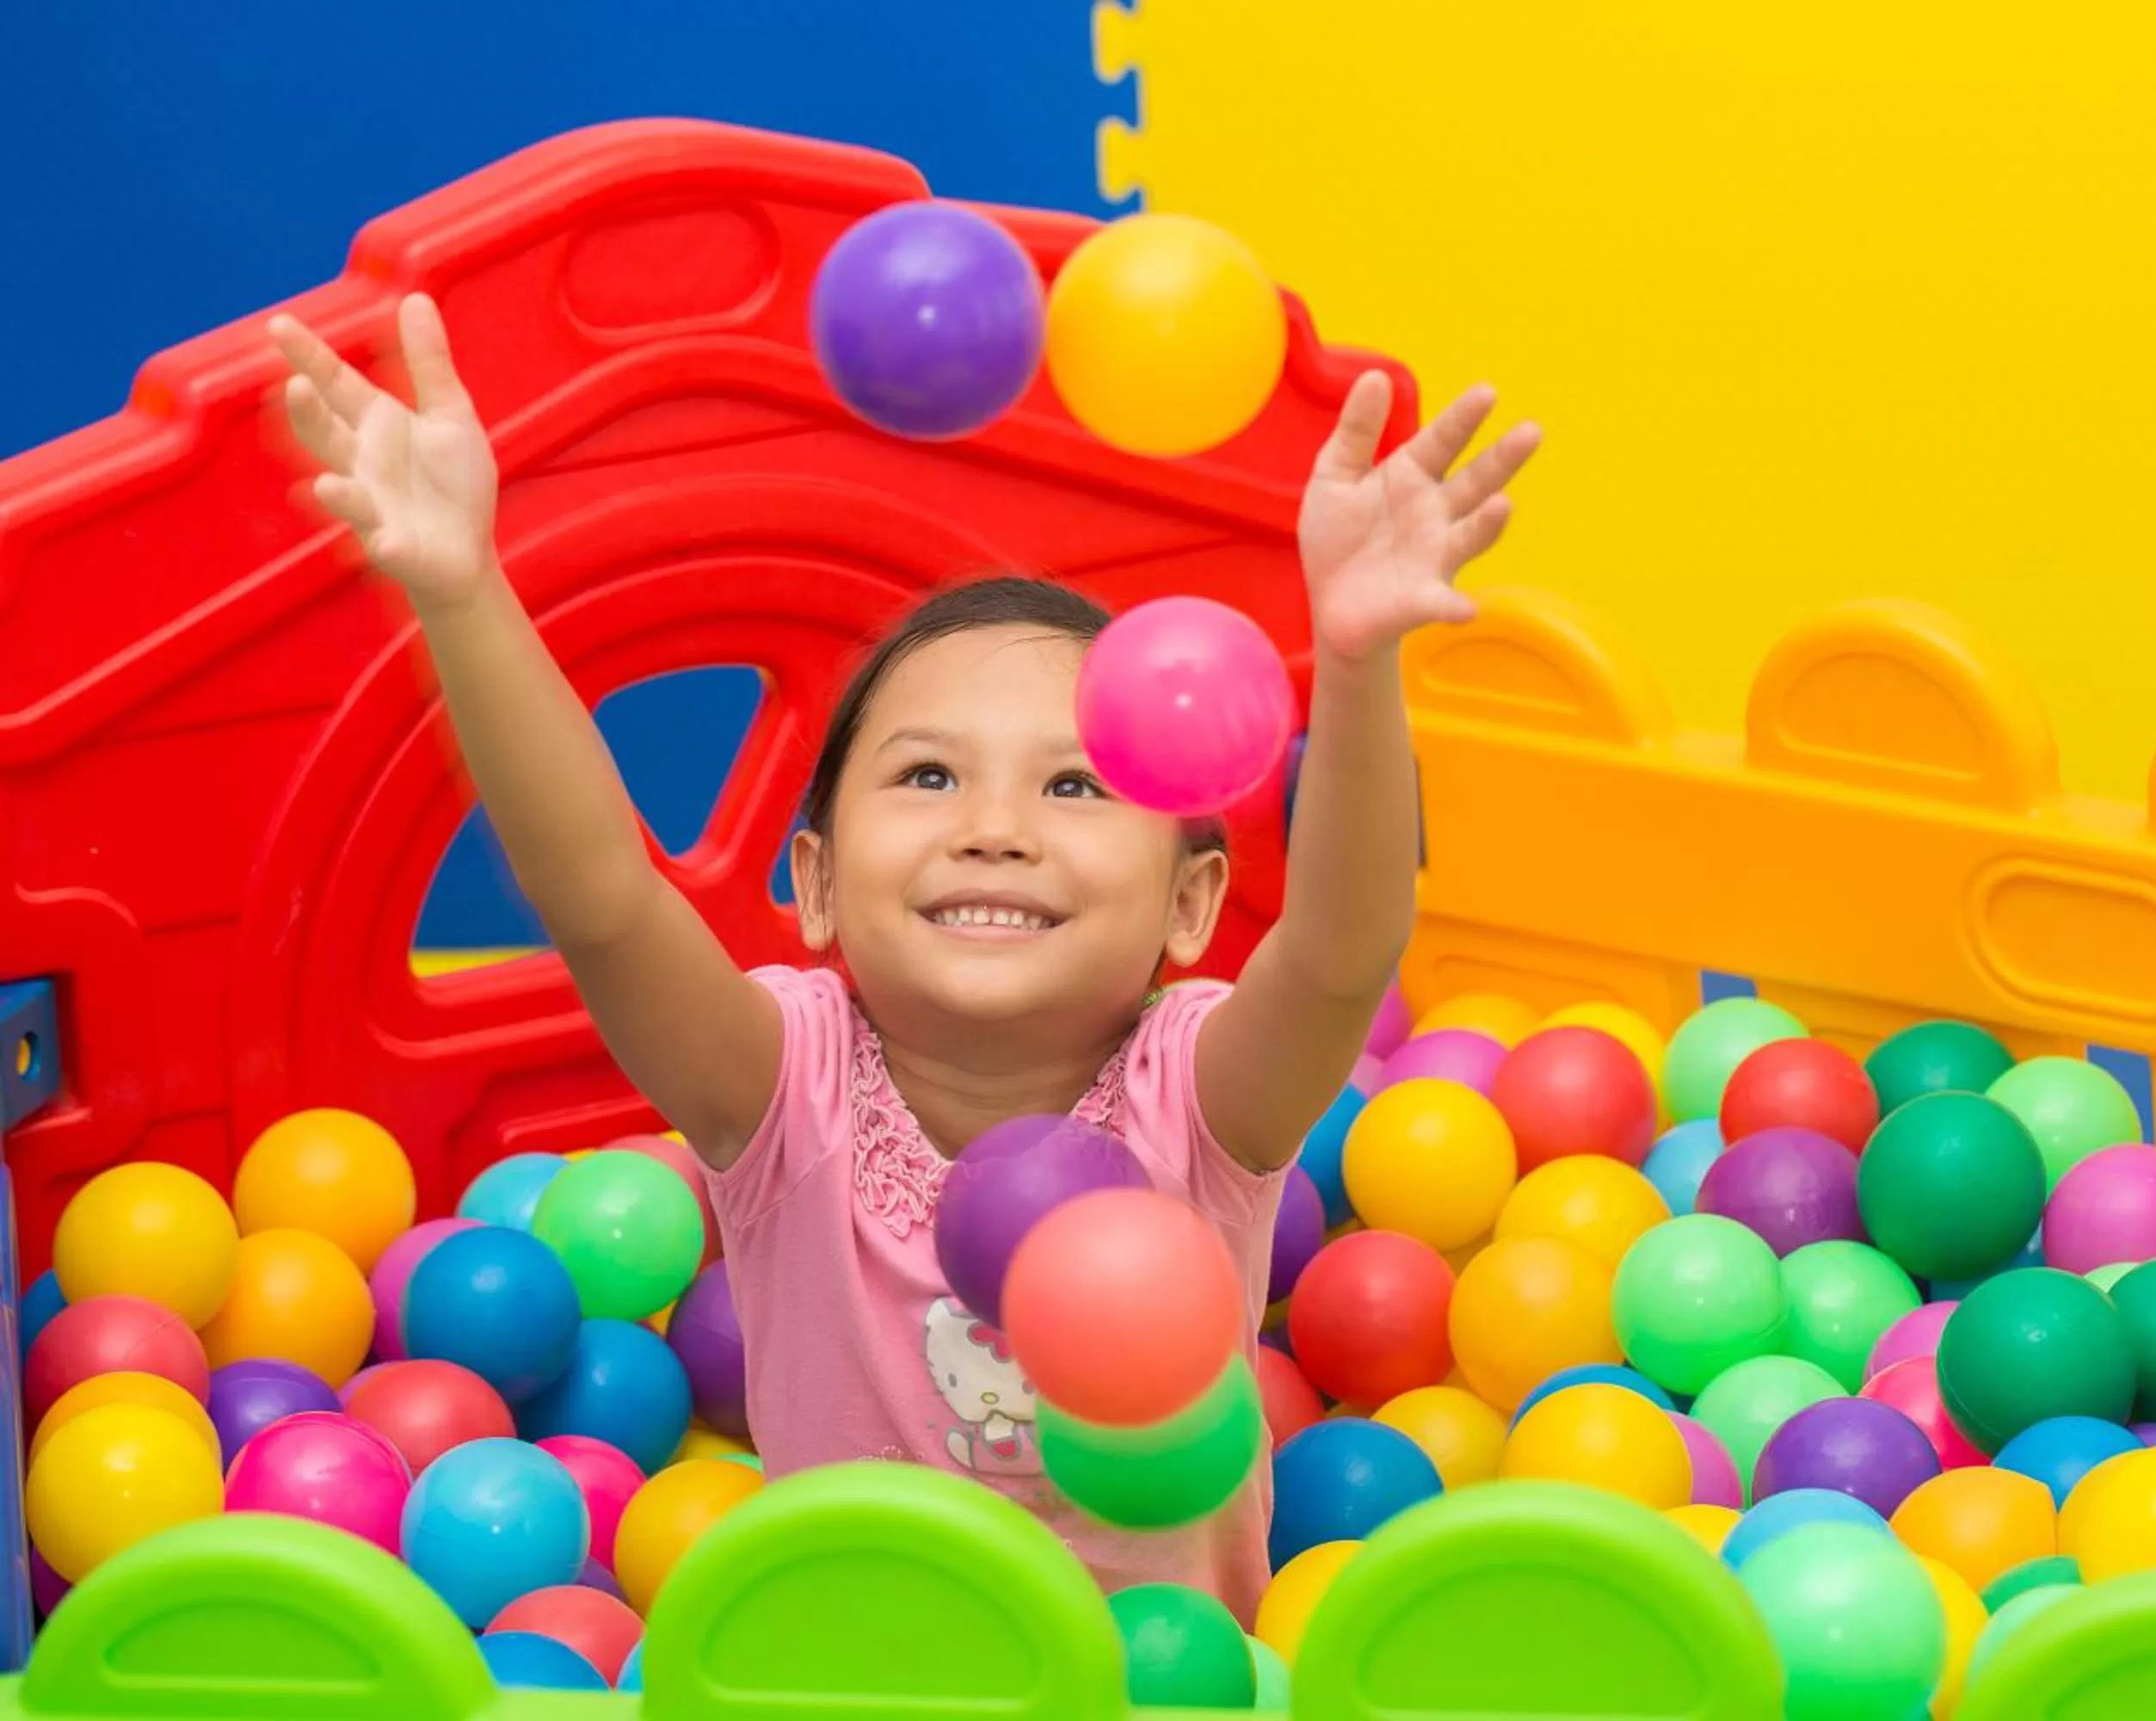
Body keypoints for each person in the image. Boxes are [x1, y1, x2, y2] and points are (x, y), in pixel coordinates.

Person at [268, 291, 1538, 1619]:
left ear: (1191, 906)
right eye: (928, 775)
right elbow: (602, 900)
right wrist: (464, 592)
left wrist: (1357, 657)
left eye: (1079, 787)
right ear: (813, 883)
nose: (994, 831)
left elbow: (1342, 951)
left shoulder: (1199, 1096)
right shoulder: (781, 1091)